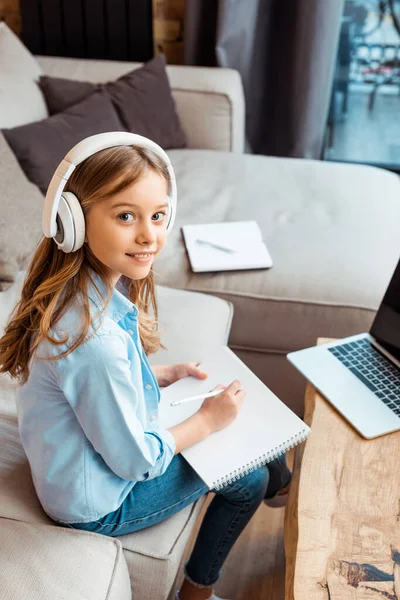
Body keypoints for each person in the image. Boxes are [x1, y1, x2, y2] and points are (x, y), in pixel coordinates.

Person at [0, 133, 291, 600]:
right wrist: (205, 422)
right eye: (125, 216)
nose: (148, 235)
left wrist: (162, 374)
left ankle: (282, 483)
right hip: (95, 504)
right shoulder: (94, 340)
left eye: (157, 216)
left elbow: (85, 389)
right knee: (249, 477)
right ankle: (197, 590)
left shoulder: (78, 299)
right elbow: (137, 460)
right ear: (72, 222)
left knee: (246, 421)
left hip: (83, 465)